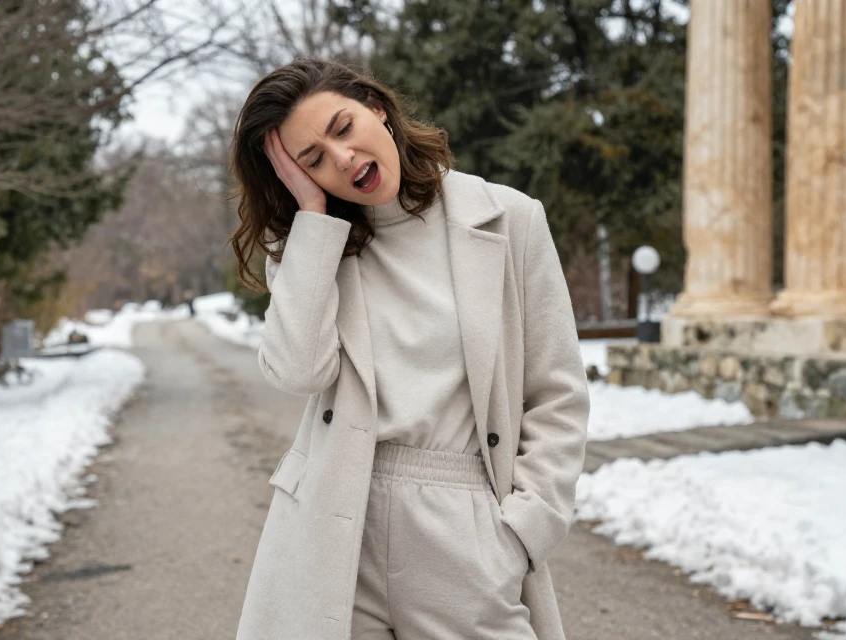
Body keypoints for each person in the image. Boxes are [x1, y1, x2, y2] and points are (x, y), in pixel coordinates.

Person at [228, 56, 590, 640]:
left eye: (343, 128)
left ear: (377, 108)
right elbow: (299, 370)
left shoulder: (508, 219)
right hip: (333, 528)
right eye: (313, 159)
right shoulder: (311, 252)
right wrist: (314, 220)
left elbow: (557, 393)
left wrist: (523, 531)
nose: (342, 159)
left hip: (465, 523)